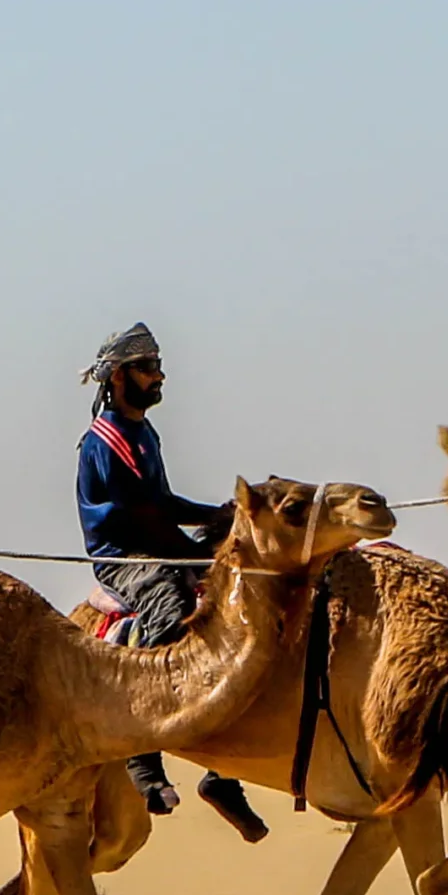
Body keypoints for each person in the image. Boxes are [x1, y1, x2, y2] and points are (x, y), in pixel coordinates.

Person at [76, 323, 266, 838]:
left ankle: (224, 772)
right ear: (118, 377)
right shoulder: (108, 437)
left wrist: (225, 517)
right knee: (168, 611)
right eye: (147, 368)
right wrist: (195, 553)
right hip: (127, 556)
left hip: (159, 543)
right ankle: (142, 751)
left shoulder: (144, 432)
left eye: (159, 366)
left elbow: (165, 502)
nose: (159, 377)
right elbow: (143, 518)